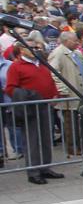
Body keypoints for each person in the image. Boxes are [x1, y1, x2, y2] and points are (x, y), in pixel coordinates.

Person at [4, 33, 62, 185]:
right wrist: (26, 98)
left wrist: (54, 94)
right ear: (22, 50)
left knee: (45, 138)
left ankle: (45, 167)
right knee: (32, 139)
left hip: (45, 105)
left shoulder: (42, 64)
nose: (36, 49)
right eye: (32, 48)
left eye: (37, 47)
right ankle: (34, 171)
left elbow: (49, 80)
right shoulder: (16, 67)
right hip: (30, 108)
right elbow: (10, 88)